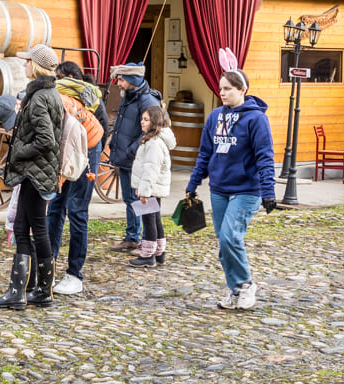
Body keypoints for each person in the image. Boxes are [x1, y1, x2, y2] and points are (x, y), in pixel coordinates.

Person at [184, 69, 278, 310]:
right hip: (219, 189)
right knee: (224, 242)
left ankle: (246, 285)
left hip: (246, 189)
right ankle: (234, 289)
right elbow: (205, 153)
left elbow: (265, 156)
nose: (222, 92)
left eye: (228, 88)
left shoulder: (256, 119)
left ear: (242, 90)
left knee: (230, 237)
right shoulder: (215, 117)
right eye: (221, 87)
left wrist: (268, 190)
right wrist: (193, 184)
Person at [0, 45, 65, 310]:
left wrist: (19, 151)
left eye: (27, 61)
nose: (24, 65)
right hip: (36, 171)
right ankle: (22, 291)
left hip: (35, 172)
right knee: (23, 228)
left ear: (37, 65)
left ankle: (38, 291)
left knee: (36, 229)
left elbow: (47, 139)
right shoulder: (45, 93)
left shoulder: (42, 96)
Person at [48, 61, 105, 293]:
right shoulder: (51, 97)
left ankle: (74, 275)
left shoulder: (62, 99)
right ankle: (47, 265)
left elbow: (102, 129)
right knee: (55, 205)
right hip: (67, 147)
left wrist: (94, 158)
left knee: (77, 210)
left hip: (88, 146)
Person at [107, 64, 162, 253]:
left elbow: (153, 130)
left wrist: (132, 151)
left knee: (142, 201)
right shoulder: (129, 97)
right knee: (131, 200)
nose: (119, 83)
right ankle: (132, 237)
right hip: (126, 158)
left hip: (138, 159)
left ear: (133, 80)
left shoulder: (147, 100)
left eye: (121, 79)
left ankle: (148, 241)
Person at [128, 103, 175, 267]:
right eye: (142, 119)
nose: (142, 122)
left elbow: (150, 169)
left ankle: (147, 255)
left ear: (154, 122)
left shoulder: (154, 143)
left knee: (149, 221)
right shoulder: (152, 139)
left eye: (146, 120)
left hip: (151, 188)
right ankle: (159, 252)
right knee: (155, 219)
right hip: (153, 188)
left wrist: (144, 191)